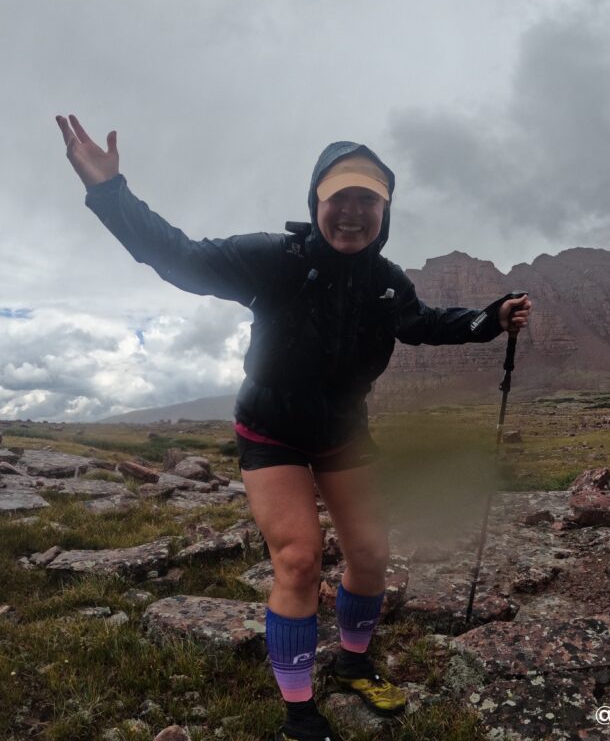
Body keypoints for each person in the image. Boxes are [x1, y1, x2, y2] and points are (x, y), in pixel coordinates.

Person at [55, 114, 532, 741]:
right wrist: (109, 192)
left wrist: (489, 319)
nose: (354, 213)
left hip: (343, 432)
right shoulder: (272, 260)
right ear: (317, 201)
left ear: (386, 212)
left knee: (370, 553)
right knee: (300, 560)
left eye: (369, 201)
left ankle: (354, 660)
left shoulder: (387, 284)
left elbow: (420, 323)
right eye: (341, 199)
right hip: (271, 430)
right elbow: (178, 257)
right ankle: (300, 713)